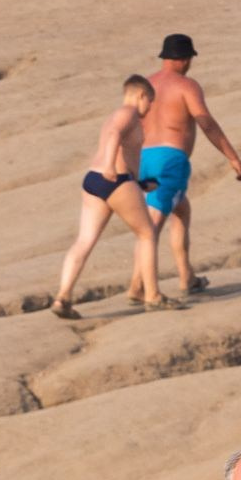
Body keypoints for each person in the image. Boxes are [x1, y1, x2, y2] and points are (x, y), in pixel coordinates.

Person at [139, 33, 241, 300]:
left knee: (181, 210)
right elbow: (206, 122)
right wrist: (232, 157)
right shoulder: (186, 85)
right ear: (185, 59)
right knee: (153, 225)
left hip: (143, 158)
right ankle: (138, 286)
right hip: (170, 160)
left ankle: (187, 276)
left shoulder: (145, 85)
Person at [53, 77, 165, 318]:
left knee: (84, 241)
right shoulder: (128, 113)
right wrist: (110, 166)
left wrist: (140, 183)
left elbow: (122, 145)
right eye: (150, 101)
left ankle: (62, 298)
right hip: (114, 179)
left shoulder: (116, 115)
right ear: (141, 95)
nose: (150, 108)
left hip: (94, 180)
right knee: (147, 234)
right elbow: (115, 135)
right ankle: (153, 296)